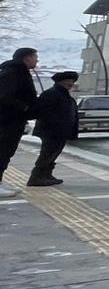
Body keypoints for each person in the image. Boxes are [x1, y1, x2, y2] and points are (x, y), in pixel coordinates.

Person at [0, 47, 41, 195]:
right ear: (27, 58)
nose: (37, 60)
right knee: (3, 151)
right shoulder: (12, 73)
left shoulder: (18, 72)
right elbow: (4, 96)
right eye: (35, 57)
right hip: (7, 121)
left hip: (13, 120)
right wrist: (24, 107)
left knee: (6, 152)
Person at [28, 71, 79, 187]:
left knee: (53, 154)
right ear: (60, 82)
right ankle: (36, 177)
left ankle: (46, 175)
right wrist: (57, 124)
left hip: (61, 132)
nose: (71, 84)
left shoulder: (65, 96)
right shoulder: (51, 94)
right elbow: (43, 112)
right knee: (47, 154)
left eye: (72, 81)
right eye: (68, 81)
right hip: (51, 131)